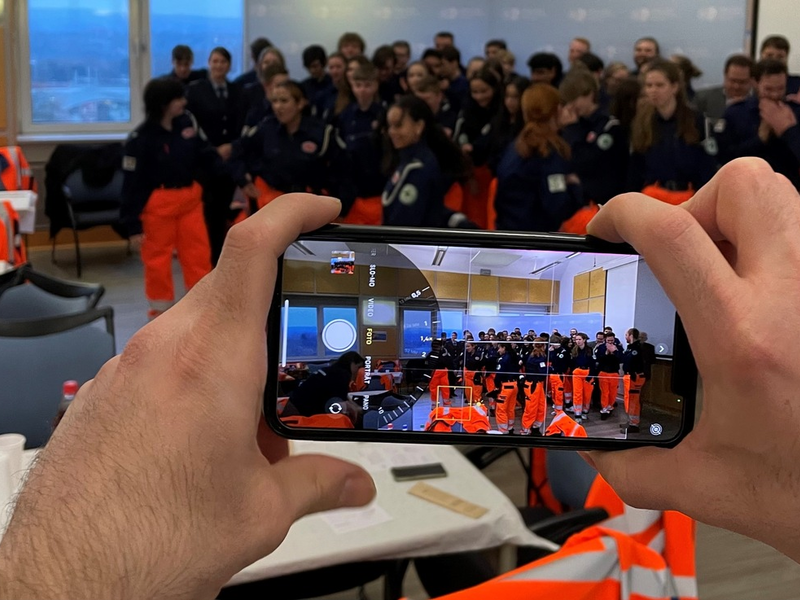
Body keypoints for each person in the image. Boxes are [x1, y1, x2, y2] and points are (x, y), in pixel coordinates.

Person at [11, 160, 800, 595]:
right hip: (518, 386)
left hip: (556, 387)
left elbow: (551, 363)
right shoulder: (417, 358)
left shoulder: (561, 349)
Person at [121, 78, 222, 319]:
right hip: (158, 206)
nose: (183, 102)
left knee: (198, 255)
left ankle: (202, 307)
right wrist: (132, 225)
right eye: (178, 98)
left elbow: (205, 155)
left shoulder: (187, 124)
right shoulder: (140, 138)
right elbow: (131, 185)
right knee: (157, 261)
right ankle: (161, 312)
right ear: (163, 103)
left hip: (189, 202)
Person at [228, 81, 355, 213]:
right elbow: (237, 152)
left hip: (310, 204)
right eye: (274, 101)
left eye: (284, 101)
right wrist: (243, 180)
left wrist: (342, 208)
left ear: (300, 103)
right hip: (272, 203)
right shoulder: (266, 129)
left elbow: (344, 170)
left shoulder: (322, 133)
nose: (278, 106)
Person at [494, 84, 583, 232]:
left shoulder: (515, 146)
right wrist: (574, 187)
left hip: (508, 231)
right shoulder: (547, 152)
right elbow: (558, 206)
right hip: (536, 237)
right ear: (555, 110)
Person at [628, 59, 718, 204]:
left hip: (689, 196)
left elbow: (708, 166)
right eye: (649, 85)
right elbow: (635, 167)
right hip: (653, 196)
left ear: (674, 87)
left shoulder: (697, 121)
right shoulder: (641, 122)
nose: (653, 90)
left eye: (660, 85)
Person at [186, 47, 242, 266]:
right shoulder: (196, 90)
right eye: (215, 61)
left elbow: (241, 123)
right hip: (205, 163)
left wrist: (232, 147)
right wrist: (212, 150)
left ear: (229, 65)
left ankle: (222, 260)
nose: (218, 66)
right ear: (209, 63)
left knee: (224, 213)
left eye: (223, 62)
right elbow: (192, 125)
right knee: (208, 215)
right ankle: (207, 262)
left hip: (229, 161)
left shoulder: (237, 91)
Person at [381, 95, 471, 227]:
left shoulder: (418, 169)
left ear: (419, 126)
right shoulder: (407, 160)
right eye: (390, 126)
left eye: (399, 125)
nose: (392, 132)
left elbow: (405, 223)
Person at [717, 59, 800, 191]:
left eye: (780, 89)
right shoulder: (736, 113)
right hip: (746, 188)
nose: (775, 95)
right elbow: (725, 157)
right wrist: (760, 139)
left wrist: (788, 131)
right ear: (755, 83)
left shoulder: (795, 113)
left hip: (787, 188)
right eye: (768, 89)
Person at [559, 69, 628, 206]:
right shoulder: (574, 124)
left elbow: (590, 161)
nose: (571, 106)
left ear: (589, 94)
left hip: (606, 198)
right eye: (567, 101)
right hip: (580, 199)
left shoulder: (608, 126)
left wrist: (572, 129)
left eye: (574, 99)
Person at [454, 65, 504, 227]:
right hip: (470, 172)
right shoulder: (467, 109)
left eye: (484, 91)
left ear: (494, 89)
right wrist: (465, 147)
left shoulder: (502, 112)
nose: (479, 96)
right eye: (475, 92)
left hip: (493, 173)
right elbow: (461, 134)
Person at [337, 63, 386, 225]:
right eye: (358, 85)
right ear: (352, 86)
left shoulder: (383, 114)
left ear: (375, 86)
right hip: (354, 186)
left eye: (367, 85)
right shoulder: (345, 115)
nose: (362, 90)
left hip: (379, 185)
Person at [284, 352, 365, 419]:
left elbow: (341, 396)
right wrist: (357, 409)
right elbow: (340, 402)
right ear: (352, 363)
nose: (358, 371)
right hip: (299, 410)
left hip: (293, 402)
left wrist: (355, 406)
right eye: (358, 367)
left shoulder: (332, 370)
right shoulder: (342, 375)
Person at [694, 54, 755, 121]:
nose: (736, 86)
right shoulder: (703, 99)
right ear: (725, 75)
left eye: (742, 82)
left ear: (752, 80)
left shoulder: (759, 104)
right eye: (733, 81)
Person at [521, 337, 548, 435]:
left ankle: (535, 427)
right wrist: (550, 369)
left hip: (537, 384)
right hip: (533, 385)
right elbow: (543, 372)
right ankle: (526, 429)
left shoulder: (533, 355)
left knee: (541, 407)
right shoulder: (538, 357)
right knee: (531, 408)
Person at [622, 327, 646, 432]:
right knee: (629, 400)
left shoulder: (637, 348)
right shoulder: (630, 348)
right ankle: (630, 421)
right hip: (630, 377)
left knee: (634, 401)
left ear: (631, 336)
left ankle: (634, 424)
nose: (625, 337)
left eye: (626, 335)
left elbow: (632, 361)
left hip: (635, 377)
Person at [594, 332, 623, 419]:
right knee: (604, 392)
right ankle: (604, 408)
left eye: (612, 340)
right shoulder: (601, 347)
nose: (610, 342)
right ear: (605, 340)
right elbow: (598, 359)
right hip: (603, 372)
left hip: (614, 372)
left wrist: (615, 352)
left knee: (613, 392)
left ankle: (610, 406)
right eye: (608, 340)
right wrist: (606, 354)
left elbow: (621, 359)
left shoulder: (618, 347)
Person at [570, 332, 595, 420]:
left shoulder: (590, 350)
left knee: (587, 394)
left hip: (587, 372)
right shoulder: (574, 350)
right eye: (576, 339)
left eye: (579, 339)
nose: (578, 341)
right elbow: (572, 363)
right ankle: (577, 413)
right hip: (577, 372)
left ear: (584, 340)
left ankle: (585, 411)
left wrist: (591, 375)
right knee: (577, 393)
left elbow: (593, 364)